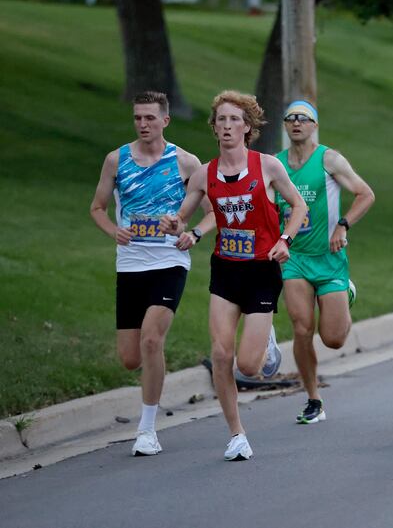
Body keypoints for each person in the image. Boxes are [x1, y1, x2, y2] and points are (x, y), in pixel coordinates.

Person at [160, 91, 307, 460]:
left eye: (234, 120)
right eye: (220, 120)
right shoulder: (203, 174)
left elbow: (299, 205)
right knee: (221, 354)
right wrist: (174, 223)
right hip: (225, 269)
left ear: (247, 128)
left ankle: (267, 341)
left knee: (249, 366)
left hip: (261, 270)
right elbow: (183, 216)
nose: (226, 126)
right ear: (214, 128)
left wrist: (286, 239)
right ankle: (236, 434)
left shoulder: (268, 166)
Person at [90, 91, 203, 456]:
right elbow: (97, 208)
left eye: (150, 118)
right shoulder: (116, 160)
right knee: (130, 358)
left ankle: (147, 430)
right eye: (138, 117)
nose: (143, 124)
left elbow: (213, 210)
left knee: (152, 340)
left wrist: (192, 234)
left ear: (165, 121)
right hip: (131, 264)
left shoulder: (186, 163)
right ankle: (148, 407)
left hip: (169, 263)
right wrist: (114, 231)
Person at [274, 100, 375, 424]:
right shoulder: (275, 164)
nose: (296, 123)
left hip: (329, 258)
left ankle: (346, 292)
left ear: (314, 125)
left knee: (333, 339)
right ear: (286, 126)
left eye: (303, 119)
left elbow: (365, 193)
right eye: (291, 119)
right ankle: (313, 398)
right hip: (295, 259)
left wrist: (342, 225)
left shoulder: (329, 159)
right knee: (302, 328)